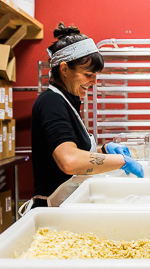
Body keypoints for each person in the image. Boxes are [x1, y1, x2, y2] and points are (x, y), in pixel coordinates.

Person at [29, 23, 143, 208]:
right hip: (53, 209)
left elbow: (73, 149)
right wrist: (120, 161)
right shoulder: (51, 103)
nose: (94, 82)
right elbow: (70, 160)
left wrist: (104, 150)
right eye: (88, 74)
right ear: (64, 69)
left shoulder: (67, 101)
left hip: (68, 204)